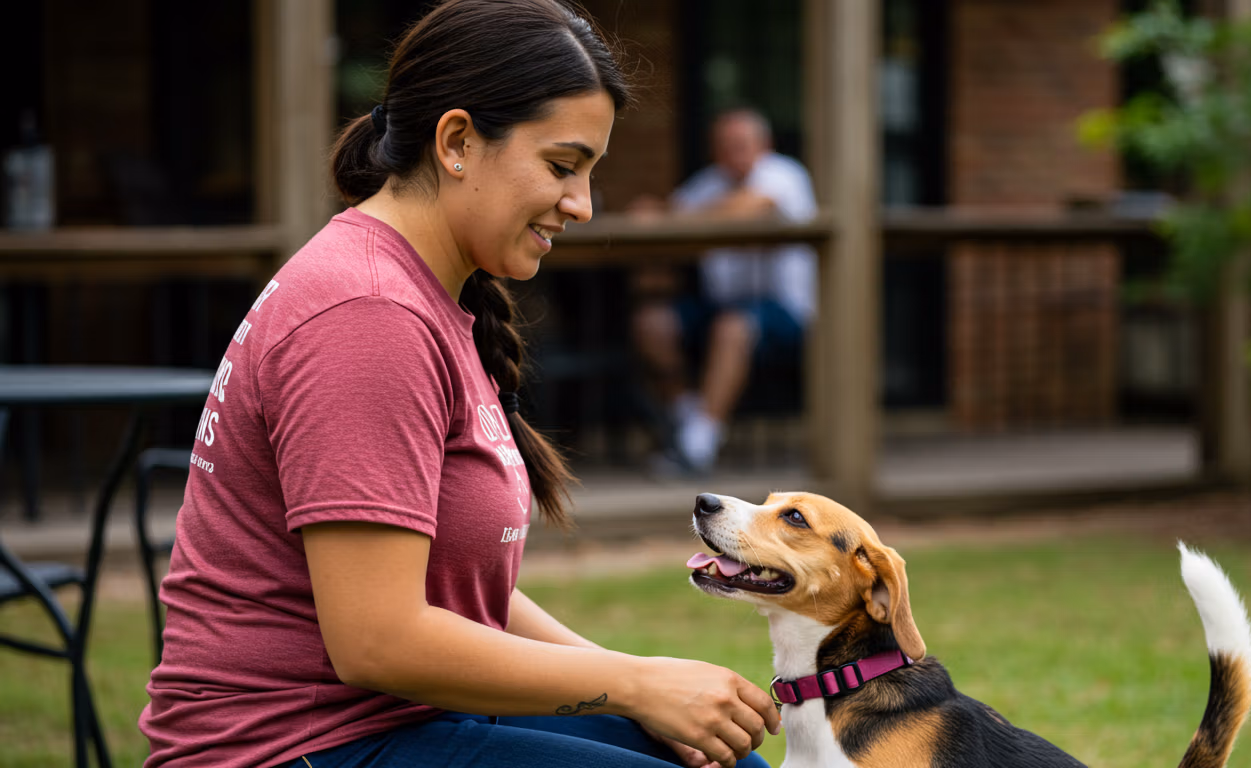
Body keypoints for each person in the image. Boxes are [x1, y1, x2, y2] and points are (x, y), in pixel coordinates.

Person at [139, 2, 779, 767]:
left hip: (397, 721)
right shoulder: (367, 314)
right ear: (457, 142)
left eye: (590, 174)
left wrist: (645, 690)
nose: (581, 204)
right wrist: (634, 684)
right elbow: (376, 640)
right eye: (561, 165)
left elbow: (450, 585)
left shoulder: (417, 292)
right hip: (293, 747)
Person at [631, 109, 817, 475]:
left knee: (732, 326)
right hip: (720, 306)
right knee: (652, 322)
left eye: (740, 145)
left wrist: (675, 217)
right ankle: (690, 417)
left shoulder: (785, 174)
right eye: (723, 146)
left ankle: (698, 446)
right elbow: (654, 217)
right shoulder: (709, 182)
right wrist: (660, 213)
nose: (732, 154)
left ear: (764, 146)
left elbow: (746, 208)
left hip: (785, 312)